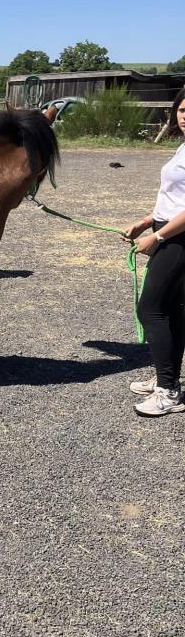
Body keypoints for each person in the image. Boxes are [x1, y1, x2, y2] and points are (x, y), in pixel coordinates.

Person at [122, 87, 185, 416]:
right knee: (172, 310)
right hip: (168, 232)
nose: (184, 115)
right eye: (182, 109)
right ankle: (168, 377)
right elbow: (174, 199)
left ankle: (168, 392)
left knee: (152, 310)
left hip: (178, 240)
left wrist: (158, 237)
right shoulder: (182, 147)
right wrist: (146, 222)